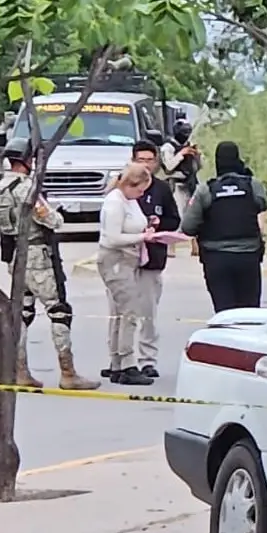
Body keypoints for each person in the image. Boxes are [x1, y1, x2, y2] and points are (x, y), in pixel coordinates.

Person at [0, 137, 99, 391]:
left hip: (17, 256)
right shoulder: (27, 188)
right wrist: (56, 211)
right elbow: (52, 220)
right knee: (59, 311)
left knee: (23, 313)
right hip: (38, 255)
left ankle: (20, 370)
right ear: (28, 160)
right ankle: (68, 371)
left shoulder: (1, 186)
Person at [104, 140, 179, 379]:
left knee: (146, 312)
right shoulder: (119, 195)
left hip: (150, 258)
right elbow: (112, 234)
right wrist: (140, 232)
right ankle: (119, 360)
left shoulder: (160, 188)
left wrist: (157, 227)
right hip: (124, 259)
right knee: (121, 312)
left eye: (150, 160)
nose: (146, 165)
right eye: (141, 160)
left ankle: (147, 359)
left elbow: (173, 219)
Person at [182, 141, 267, 313]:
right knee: (249, 313)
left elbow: (188, 226)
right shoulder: (253, 185)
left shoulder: (206, 190)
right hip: (248, 257)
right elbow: (263, 203)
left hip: (216, 259)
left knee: (224, 313)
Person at [98, 162, 160, 386]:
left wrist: (148, 226)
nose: (141, 195)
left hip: (129, 259)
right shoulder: (115, 203)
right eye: (140, 190)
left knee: (119, 312)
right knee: (129, 312)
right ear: (130, 184)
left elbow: (132, 224)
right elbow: (112, 238)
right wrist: (142, 238)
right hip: (116, 260)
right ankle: (127, 362)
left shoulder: (129, 200)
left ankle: (116, 362)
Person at [161, 118, 201, 255]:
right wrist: (181, 154)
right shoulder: (168, 147)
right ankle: (171, 247)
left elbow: (198, 168)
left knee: (194, 214)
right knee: (176, 215)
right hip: (175, 184)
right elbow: (168, 167)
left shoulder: (190, 146)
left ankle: (195, 246)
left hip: (190, 183)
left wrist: (197, 156)